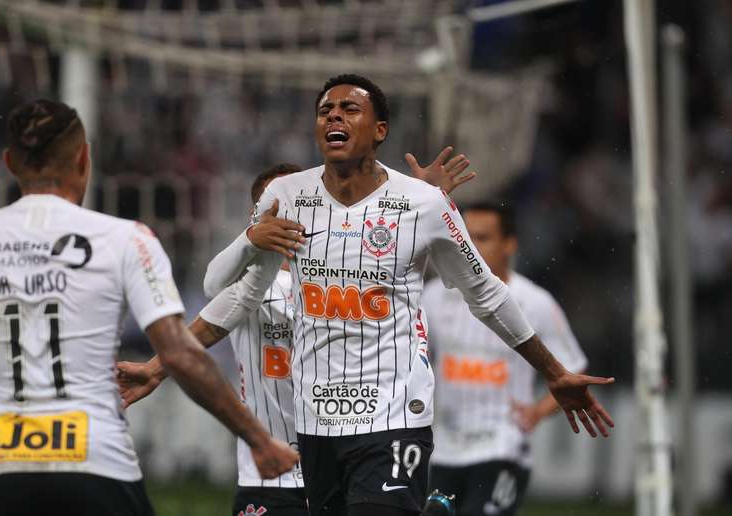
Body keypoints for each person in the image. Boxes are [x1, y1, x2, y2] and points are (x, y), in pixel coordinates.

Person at [195, 74, 614, 516]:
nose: (334, 114)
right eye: (325, 110)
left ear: (380, 131)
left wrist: (552, 371)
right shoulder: (285, 196)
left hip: (393, 417)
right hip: (314, 425)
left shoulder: (425, 204)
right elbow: (237, 295)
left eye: (349, 108)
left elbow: (487, 293)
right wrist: (164, 359)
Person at [0, 99, 298, 516]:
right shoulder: (125, 239)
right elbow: (179, 351)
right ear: (84, 158)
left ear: (9, 162)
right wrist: (258, 439)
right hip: (96, 463)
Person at [116, 151, 474, 516]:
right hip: (271, 472)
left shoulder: (355, 279)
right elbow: (213, 294)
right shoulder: (254, 285)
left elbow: (406, 267)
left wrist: (422, 202)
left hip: (349, 450)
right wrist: (157, 368)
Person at [423, 201, 589, 516]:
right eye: (466, 237)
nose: (469, 247)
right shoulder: (433, 296)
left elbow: (573, 367)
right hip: (444, 449)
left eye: (483, 238)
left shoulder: (536, 302)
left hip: (502, 445)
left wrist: (537, 412)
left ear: (509, 245)